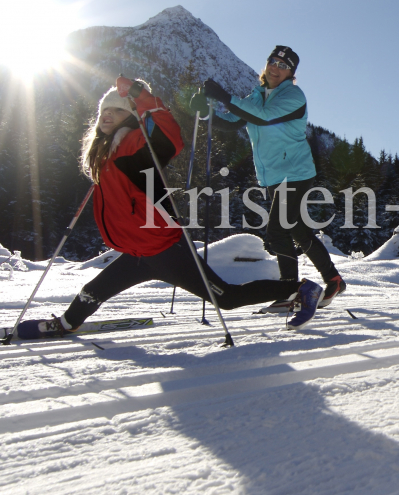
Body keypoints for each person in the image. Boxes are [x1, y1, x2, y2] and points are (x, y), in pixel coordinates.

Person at [29, 79, 325, 338]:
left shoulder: (135, 145)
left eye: (117, 109)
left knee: (227, 298)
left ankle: (301, 289)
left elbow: (170, 136)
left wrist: (139, 95)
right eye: (104, 110)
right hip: (138, 251)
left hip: (165, 247)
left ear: (131, 117)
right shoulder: (106, 152)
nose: (108, 114)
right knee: (94, 290)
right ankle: (67, 324)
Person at [197, 46, 345, 311]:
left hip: (296, 172)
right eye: (272, 61)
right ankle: (332, 279)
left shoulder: (294, 96)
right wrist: (206, 113)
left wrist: (224, 96)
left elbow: (264, 118)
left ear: (291, 73)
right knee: (295, 228)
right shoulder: (256, 95)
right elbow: (233, 122)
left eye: (283, 65)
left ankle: (289, 289)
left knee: (277, 231)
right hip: (277, 174)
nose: (276, 67)